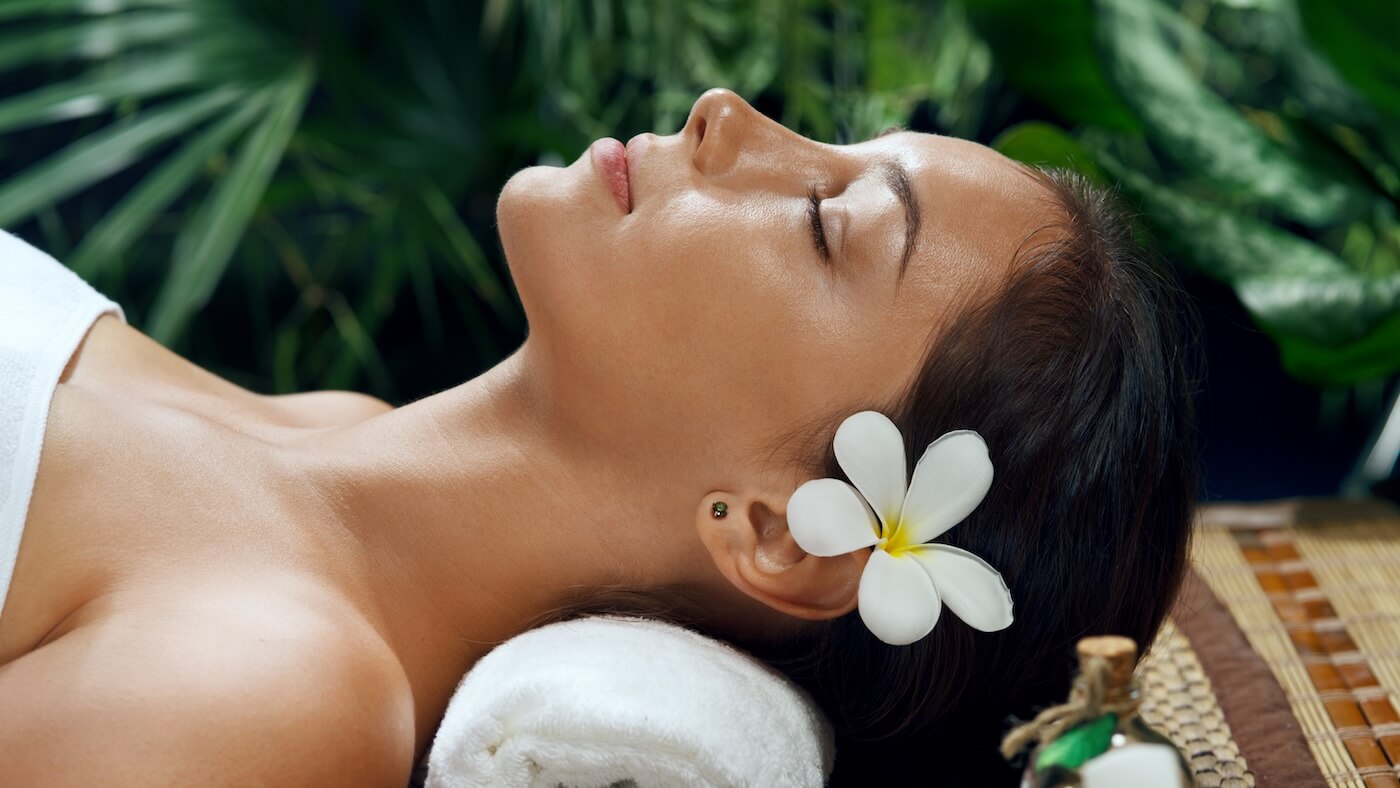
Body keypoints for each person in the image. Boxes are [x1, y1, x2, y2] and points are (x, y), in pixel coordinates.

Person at [0, 87, 1197, 786]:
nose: (727, 116)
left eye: (825, 221)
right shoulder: (326, 438)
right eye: (833, 143)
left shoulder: (278, 689)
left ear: (785, 534)